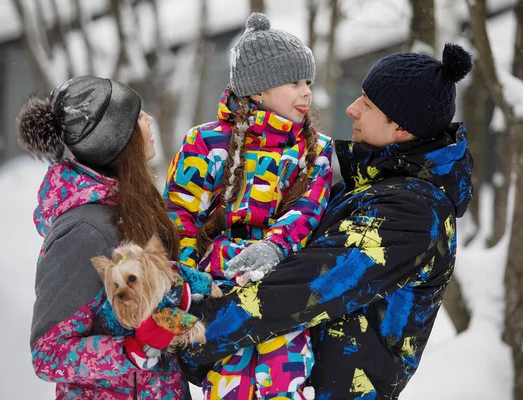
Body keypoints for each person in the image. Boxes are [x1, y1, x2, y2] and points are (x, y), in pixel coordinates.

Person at [180, 43, 474, 400]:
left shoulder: (415, 212)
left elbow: (307, 286)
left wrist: (196, 332)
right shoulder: (370, 188)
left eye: (366, 104)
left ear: (400, 128)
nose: (351, 109)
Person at [164, 12, 334, 400]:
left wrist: (275, 246)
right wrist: (188, 280)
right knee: (228, 378)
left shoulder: (315, 150)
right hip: (218, 284)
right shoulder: (205, 144)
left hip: (282, 282)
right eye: (294, 82)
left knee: (284, 377)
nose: (306, 92)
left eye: (308, 81)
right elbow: (180, 216)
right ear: (258, 90)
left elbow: (308, 209)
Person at [17, 76, 190, 399]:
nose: (149, 119)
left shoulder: (131, 208)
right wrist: (130, 351)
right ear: (117, 139)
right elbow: (47, 352)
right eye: (138, 116)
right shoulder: (84, 230)